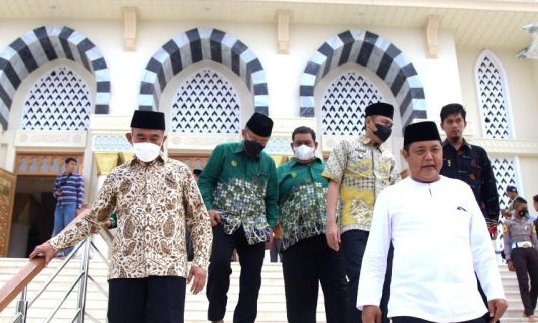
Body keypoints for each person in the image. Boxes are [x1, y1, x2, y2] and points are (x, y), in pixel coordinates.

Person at [29, 110, 212, 323]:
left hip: (169, 271)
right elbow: (93, 218)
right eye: (141, 137)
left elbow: (199, 219)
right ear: (130, 137)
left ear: (163, 139)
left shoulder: (179, 173)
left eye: (154, 138)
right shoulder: (117, 175)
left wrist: (200, 262)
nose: (148, 142)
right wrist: (54, 245)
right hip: (125, 271)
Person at [357, 121, 507, 323]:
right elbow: (376, 255)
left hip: (466, 307)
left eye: (435, 150)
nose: (429, 157)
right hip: (411, 308)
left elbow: (481, 248)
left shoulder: (461, 190)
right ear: (405, 155)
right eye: (420, 151)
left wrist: (495, 291)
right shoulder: (389, 197)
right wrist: (369, 301)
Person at [198, 112, 279, 323]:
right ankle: (217, 316)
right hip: (223, 220)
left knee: (252, 277)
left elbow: (272, 199)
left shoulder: (268, 163)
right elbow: (205, 181)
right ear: (244, 133)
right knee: (219, 264)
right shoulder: (223, 152)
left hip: (256, 226)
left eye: (263, 142)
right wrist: (209, 209)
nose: (258, 145)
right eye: (254, 139)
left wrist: (270, 227)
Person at [324, 102, 399, 323]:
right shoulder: (346, 146)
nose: (387, 128)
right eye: (384, 123)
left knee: (385, 281)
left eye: (390, 124)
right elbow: (334, 184)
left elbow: (397, 195)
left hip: (384, 229)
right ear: (368, 122)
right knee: (359, 279)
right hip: (353, 225)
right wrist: (331, 224)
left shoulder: (390, 157)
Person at [277, 126, 346, 323]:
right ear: (292, 146)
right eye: (298, 143)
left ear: (315, 144)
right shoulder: (280, 172)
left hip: (331, 243)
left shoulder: (329, 169)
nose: (303, 146)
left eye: (307, 143)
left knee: (339, 298)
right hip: (296, 246)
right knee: (300, 305)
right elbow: (271, 202)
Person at [439, 103, 500, 236]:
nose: (454, 125)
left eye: (458, 120)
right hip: (445, 218)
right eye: (449, 121)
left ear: (465, 124)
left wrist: (492, 221)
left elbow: (489, 187)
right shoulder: (437, 154)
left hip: (476, 217)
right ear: (442, 125)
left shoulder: (479, 153)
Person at [503, 197, 538, 322]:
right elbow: (506, 243)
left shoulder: (530, 222)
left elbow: (536, 242)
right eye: (523, 208)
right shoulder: (508, 223)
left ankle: (529, 309)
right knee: (523, 282)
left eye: (526, 208)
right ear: (516, 208)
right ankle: (530, 313)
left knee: (537, 281)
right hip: (518, 252)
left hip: (531, 251)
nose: (525, 210)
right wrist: (508, 259)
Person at [51, 157, 84, 257]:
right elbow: (54, 192)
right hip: (59, 206)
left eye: (75, 164)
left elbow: (80, 193)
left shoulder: (78, 177)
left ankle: (69, 253)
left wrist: (78, 207)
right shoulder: (59, 178)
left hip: (71, 206)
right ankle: (59, 252)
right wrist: (57, 193)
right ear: (66, 165)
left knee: (69, 229)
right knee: (58, 229)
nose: (73, 166)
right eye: (71, 164)